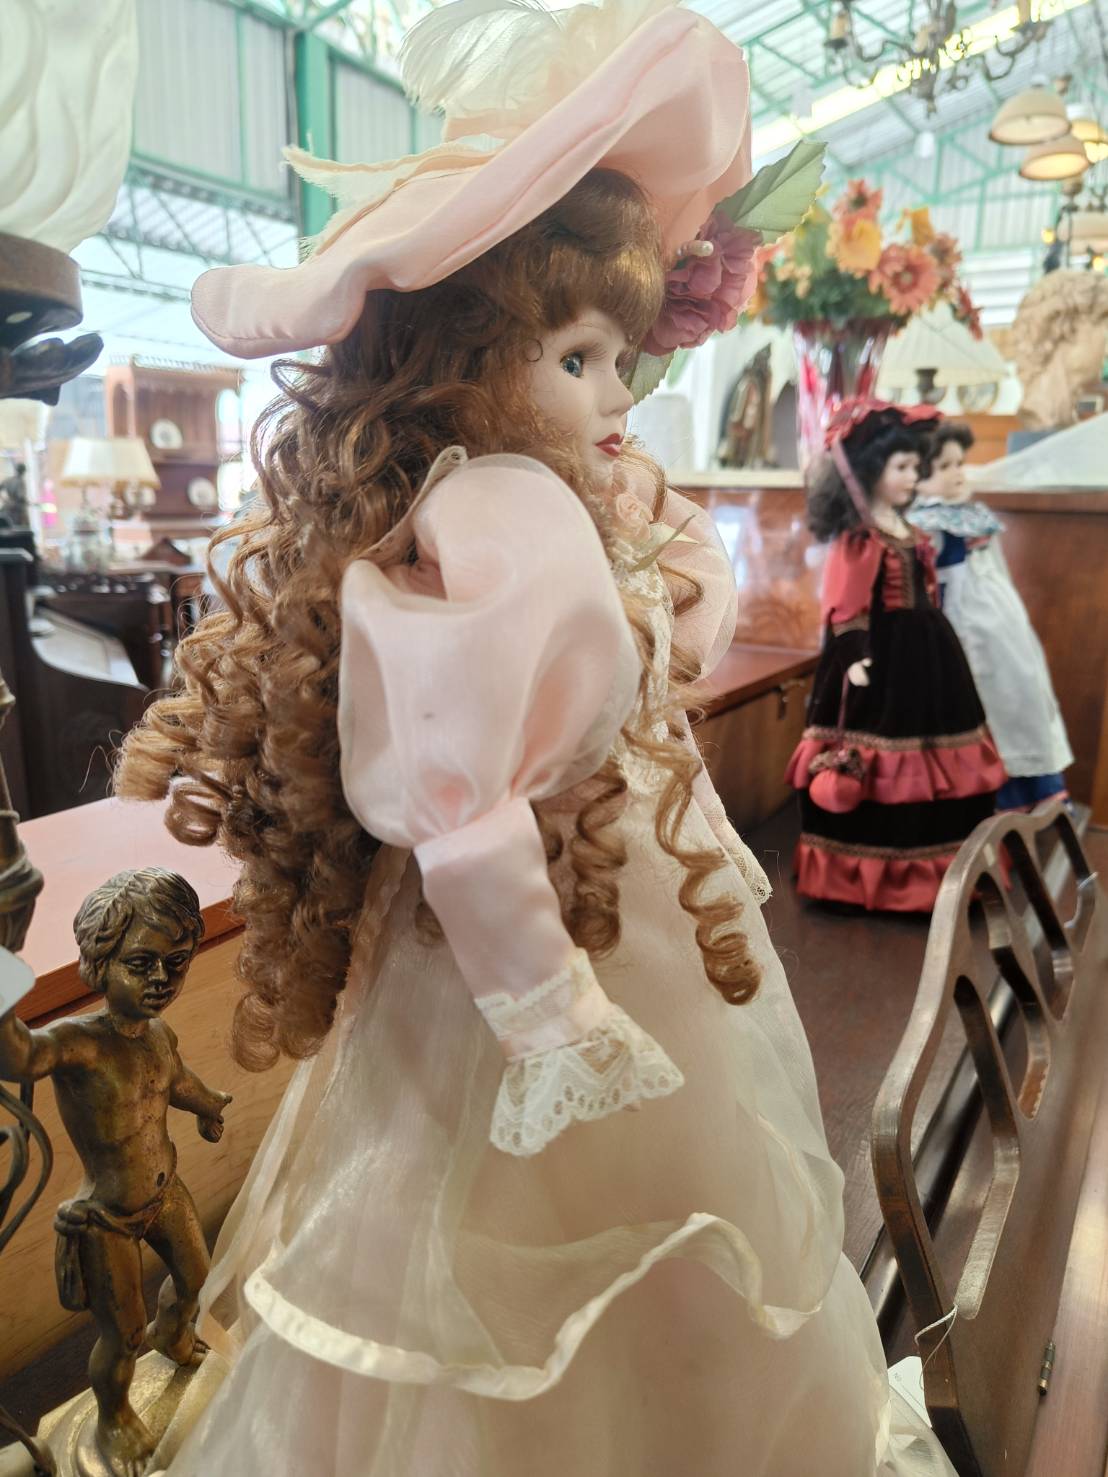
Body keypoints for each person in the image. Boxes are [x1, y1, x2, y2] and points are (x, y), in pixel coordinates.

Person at [117, 3, 956, 1473]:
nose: (617, 393)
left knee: (573, 1221)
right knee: (555, 1224)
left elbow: (656, 641)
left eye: (615, 355)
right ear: (462, 357)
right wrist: (547, 1013)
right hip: (547, 944)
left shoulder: (533, 493)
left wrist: (630, 529)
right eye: (578, 357)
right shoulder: (494, 513)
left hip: (601, 901)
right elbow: (459, 800)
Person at [0, 869, 230, 1477]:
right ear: (100, 964)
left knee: (198, 1280)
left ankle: (172, 1334)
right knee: (121, 1335)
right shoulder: (78, 1042)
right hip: (106, 1219)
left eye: (176, 963)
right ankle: (113, 1416)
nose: (161, 980)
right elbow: (19, 1055)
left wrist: (207, 1104)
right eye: (141, 964)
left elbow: (174, 1080)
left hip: (167, 1195)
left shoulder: (158, 1034)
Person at [786, 400, 1004, 911]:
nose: (913, 477)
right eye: (902, 467)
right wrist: (854, 655)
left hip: (929, 658)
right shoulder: (862, 538)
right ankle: (870, 878)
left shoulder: (905, 529)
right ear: (868, 471)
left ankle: (941, 872)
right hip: (880, 661)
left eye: (914, 466)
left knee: (938, 759)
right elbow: (844, 605)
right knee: (881, 757)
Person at [909, 420, 1072, 811]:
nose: (957, 473)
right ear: (920, 475)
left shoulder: (971, 514)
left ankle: (1034, 789)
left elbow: (996, 566)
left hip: (998, 619)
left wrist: (1013, 614)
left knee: (1019, 692)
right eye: (944, 466)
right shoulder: (923, 522)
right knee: (982, 700)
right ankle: (987, 794)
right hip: (960, 621)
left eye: (958, 463)